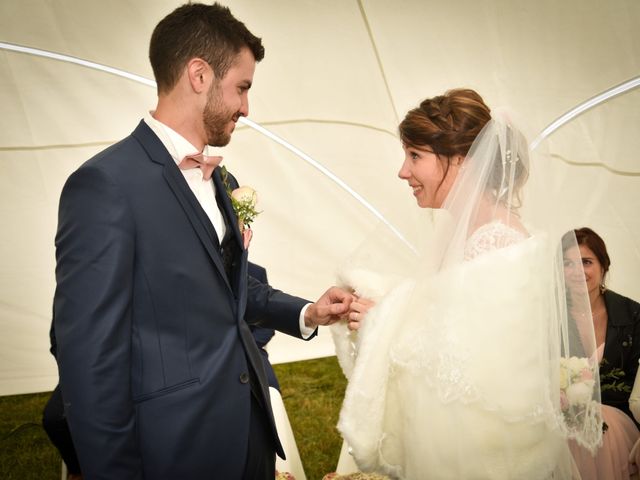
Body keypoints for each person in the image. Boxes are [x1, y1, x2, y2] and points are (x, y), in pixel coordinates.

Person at [52, 3, 352, 479]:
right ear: (199, 75)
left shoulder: (222, 180)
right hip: (173, 447)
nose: (247, 107)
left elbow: (230, 291)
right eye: (242, 87)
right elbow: (88, 356)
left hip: (249, 431)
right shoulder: (106, 186)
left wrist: (307, 313)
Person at [331, 89, 603, 479]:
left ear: (460, 161)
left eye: (415, 156)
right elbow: (439, 309)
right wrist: (377, 300)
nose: (403, 171)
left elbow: (472, 363)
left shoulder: (498, 241)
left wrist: (381, 319)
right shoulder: (461, 230)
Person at [565, 227, 640, 479]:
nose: (577, 272)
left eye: (586, 262)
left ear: (603, 266)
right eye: (568, 263)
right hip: (564, 427)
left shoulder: (632, 314)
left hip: (617, 425)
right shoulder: (549, 316)